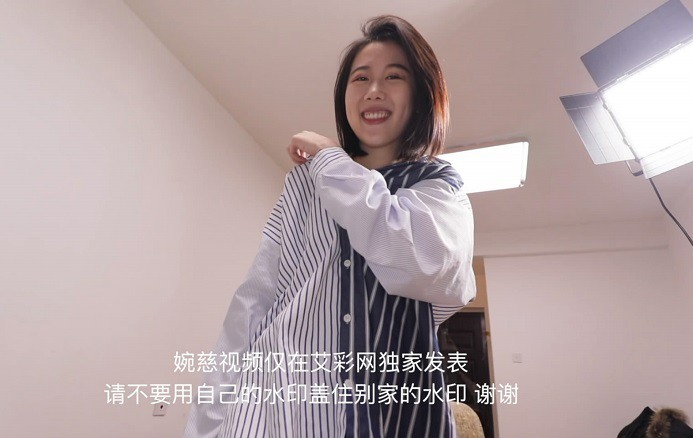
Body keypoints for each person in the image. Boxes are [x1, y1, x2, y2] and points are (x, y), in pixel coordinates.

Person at [184, 14, 476, 437]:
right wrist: (206, 424)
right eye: (361, 78)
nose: (374, 90)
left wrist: (330, 159)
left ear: (421, 94)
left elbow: (427, 269)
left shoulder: (437, 186)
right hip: (276, 408)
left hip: (390, 413)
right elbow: (253, 303)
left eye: (394, 76)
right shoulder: (304, 184)